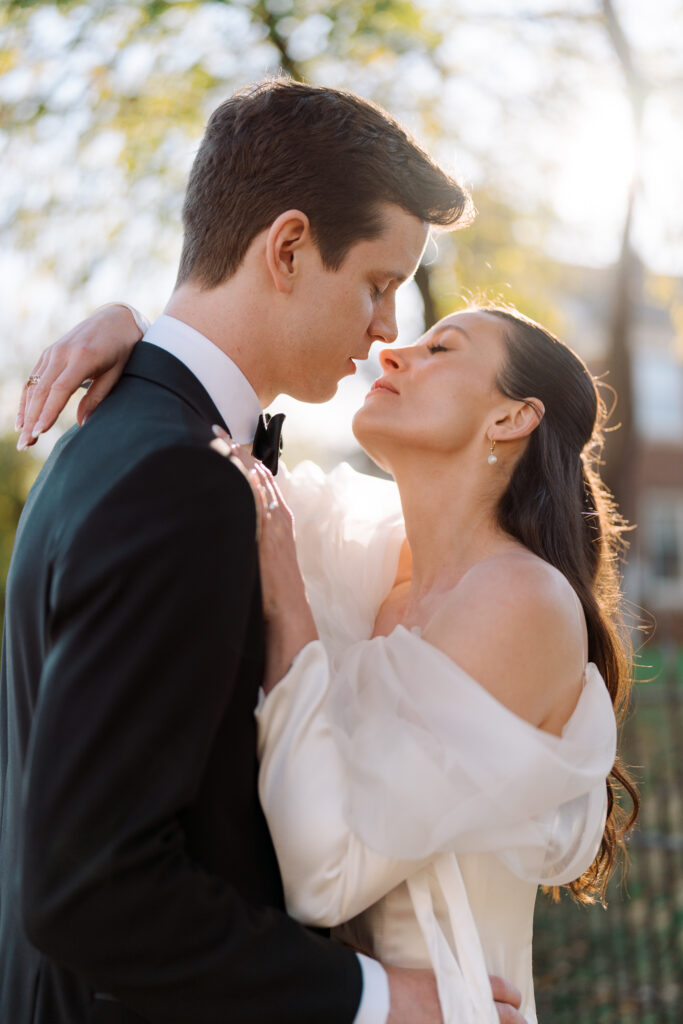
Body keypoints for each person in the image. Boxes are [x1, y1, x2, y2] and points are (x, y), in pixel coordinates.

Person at [0, 78, 528, 1024]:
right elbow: (90, 888)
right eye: (377, 285)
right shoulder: (178, 477)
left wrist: (133, 326)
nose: (384, 331)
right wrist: (378, 1000)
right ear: (287, 248)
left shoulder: (118, 437)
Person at [14, 300, 638, 1022]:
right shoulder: (363, 549)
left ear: (510, 419)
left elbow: (325, 875)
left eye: (442, 350)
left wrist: (289, 607)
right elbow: (210, 453)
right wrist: (142, 337)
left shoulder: (523, 601)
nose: (395, 353)